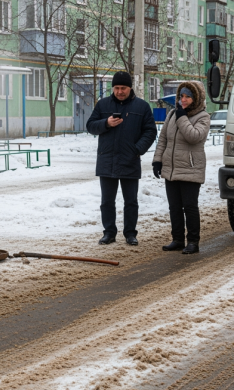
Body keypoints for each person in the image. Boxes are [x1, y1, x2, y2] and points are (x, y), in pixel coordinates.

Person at [87, 71, 157, 246]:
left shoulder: (142, 107)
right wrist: (106, 123)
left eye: (123, 88)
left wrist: (137, 149)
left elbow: (150, 131)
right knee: (107, 202)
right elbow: (90, 126)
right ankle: (109, 232)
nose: (119, 91)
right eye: (116, 88)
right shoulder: (103, 105)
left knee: (131, 201)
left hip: (130, 160)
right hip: (107, 160)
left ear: (130, 88)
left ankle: (130, 233)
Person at [152, 81, 210, 255]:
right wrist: (157, 161)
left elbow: (194, 136)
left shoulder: (203, 117)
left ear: (196, 98)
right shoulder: (172, 114)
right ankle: (177, 239)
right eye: (181, 96)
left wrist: (182, 116)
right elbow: (163, 139)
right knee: (174, 206)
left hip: (190, 168)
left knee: (190, 206)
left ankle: (193, 242)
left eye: (187, 97)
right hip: (171, 168)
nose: (183, 100)